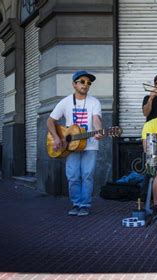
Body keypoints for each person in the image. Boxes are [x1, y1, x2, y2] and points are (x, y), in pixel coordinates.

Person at [47, 70, 105, 217]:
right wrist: (57, 138)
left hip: (90, 145)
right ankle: (76, 203)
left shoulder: (94, 102)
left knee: (87, 175)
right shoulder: (66, 101)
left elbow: (96, 119)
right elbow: (50, 120)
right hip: (70, 146)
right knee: (73, 176)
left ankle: (84, 205)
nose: (85, 85)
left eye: (88, 83)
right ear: (74, 84)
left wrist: (99, 131)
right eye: (82, 82)